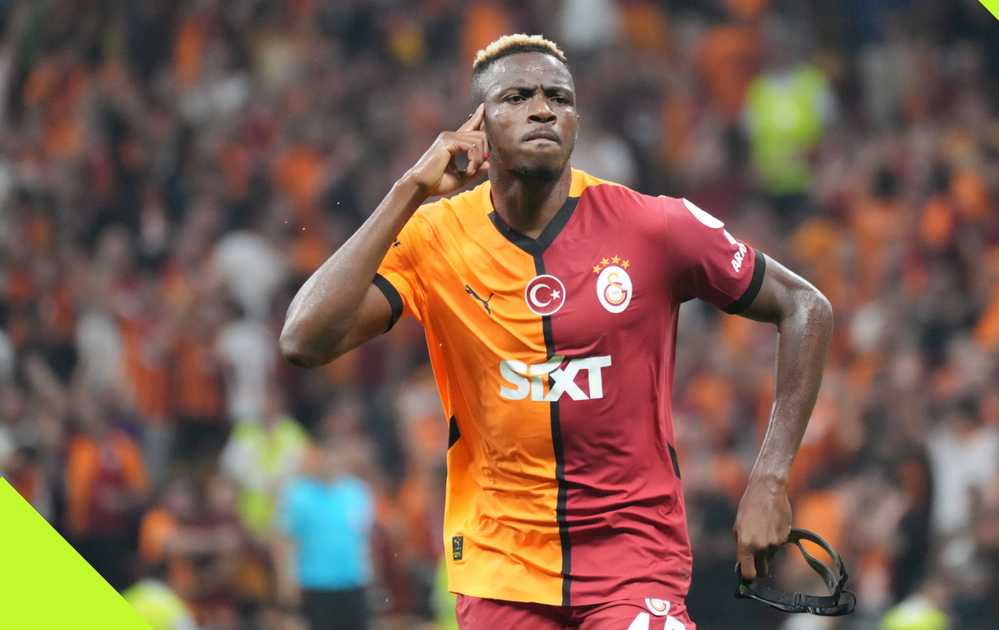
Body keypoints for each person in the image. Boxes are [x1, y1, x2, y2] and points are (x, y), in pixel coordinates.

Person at [280, 34, 833, 629]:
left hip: (633, 560)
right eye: (518, 96)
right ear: (478, 127)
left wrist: (771, 479)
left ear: (576, 121)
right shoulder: (433, 236)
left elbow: (805, 306)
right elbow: (303, 341)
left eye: (559, 98)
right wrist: (408, 191)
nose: (544, 108)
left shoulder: (654, 226)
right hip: (500, 569)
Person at [274, 434, 375, 630]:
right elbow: (284, 540)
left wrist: (371, 574)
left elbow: (365, 538)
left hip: (353, 579)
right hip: (316, 582)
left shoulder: (357, 492)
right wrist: (287, 579)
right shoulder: (298, 495)